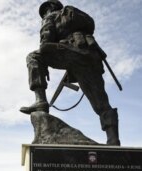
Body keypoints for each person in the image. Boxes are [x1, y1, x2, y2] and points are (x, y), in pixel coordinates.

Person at [20, 0, 120, 146]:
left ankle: (40, 101)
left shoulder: (51, 16)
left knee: (33, 57)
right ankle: (113, 139)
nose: (43, 15)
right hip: (90, 56)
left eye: (44, 12)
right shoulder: (75, 19)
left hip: (70, 51)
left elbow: (45, 42)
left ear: (49, 8)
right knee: (101, 103)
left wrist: (45, 62)